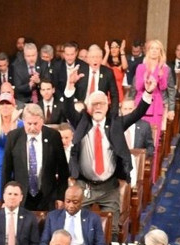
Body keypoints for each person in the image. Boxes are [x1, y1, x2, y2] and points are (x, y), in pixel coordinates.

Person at [65, 77, 156, 216]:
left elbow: (137, 114)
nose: (98, 107)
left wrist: (148, 93)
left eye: (102, 104)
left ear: (108, 106)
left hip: (109, 187)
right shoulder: (81, 122)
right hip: (84, 186)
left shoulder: (116, 124)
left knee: (112, 229)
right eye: (94, 104)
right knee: (80, 226)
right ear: (88, 108)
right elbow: (68, 110)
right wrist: (70, 86)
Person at [0, 104, 68, 212]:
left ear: (42, 121)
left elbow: (63, 170)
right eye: (29, 123)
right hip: (22, 197)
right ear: (23, 121)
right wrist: (4, 199)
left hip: (48, 196)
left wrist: (61, 196)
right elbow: (6, 170)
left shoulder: (53, 136)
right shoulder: (13, 137)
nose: (32, 127)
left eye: (35, 123)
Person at [133, 40, 175, 177]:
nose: (154, 51)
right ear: (148, 50)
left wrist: (161, 76)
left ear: (160, 52)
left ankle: (150, 178)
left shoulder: (165, 69)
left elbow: (163, 87)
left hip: (156, 106)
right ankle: (136, 176)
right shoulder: (140, 67)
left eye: (157, 48)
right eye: (152, 48)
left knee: (153, 143)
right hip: (140, 104)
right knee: (138, 141)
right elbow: (138, 87)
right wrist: (146, 79)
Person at [41, 184, 106, 245]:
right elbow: (43, 241)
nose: (71, 206)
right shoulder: (53, 217)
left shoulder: (93, 218)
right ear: (64, 200)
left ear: (81, 201)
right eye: (68, 201)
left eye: (75, 202)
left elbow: (101, 244)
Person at [0, 93, 22, 202]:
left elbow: (12, 145)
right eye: (2, 104)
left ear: (14, 106)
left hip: (16, 165)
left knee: (15, 200)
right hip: (0, 166)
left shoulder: (21, 124)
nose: (5, 106)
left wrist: (12, 123)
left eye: (8, 104)